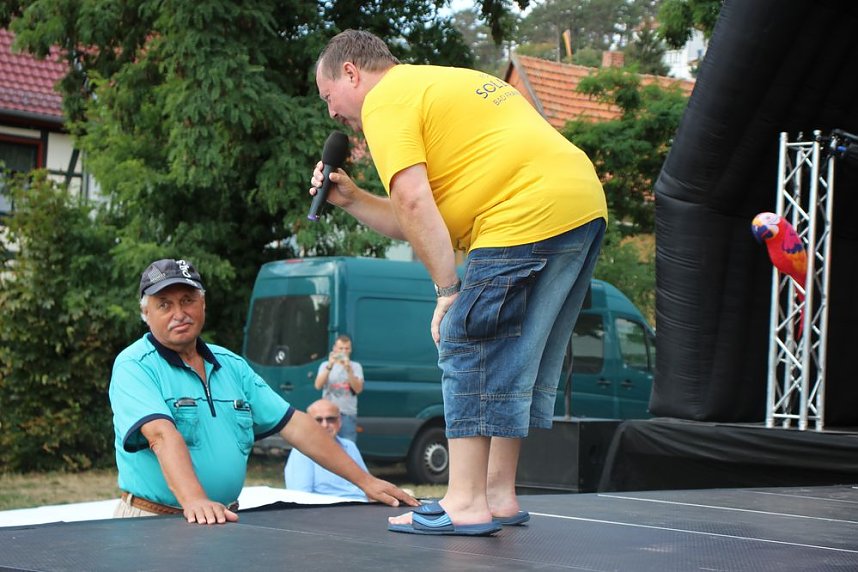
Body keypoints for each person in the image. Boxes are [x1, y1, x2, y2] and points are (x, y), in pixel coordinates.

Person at [309, 30, 607, 536]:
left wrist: (449, 291)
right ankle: (497, 495)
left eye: (329, 96)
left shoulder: (385, 101)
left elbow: (412, 200)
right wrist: (354, 199)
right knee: (516, 354)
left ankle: (464, 502)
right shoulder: (443, 84)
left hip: (522, 213)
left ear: (352, 73)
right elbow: (420, 216)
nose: (333, 113)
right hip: (579, 205)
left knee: (466, 337)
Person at [109, 258, 417, 525]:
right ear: (146, 313)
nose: (180, 312)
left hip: (220, 519)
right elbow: (161, 435)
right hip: (155, 522)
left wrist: (366, 482)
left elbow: (295, 424)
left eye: (188, 300)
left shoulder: (232, 366)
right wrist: (194, 500)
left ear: (203, 304)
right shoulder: (135, 366)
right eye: (165, 305)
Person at [284, 399, 368, 500]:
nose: (325, 425)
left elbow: (368, 485)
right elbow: (300, 498)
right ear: (309, 424)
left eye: (330, 419)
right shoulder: (301, 452)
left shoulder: (350, 446)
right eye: (318, 420)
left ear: (339, 421)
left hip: (362, 506)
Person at [314, 334, 363, 442]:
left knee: (348, 446)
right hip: (327, 414)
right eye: (341, 348)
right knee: (326, 445)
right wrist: (330, 365)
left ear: (350, 350)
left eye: (347, 348)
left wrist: (348, 369)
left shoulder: (356, 366)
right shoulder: (325, 365)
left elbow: (358, 389)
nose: (344, 351)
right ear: (334, 349)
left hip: (347, 414)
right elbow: (318, 385)